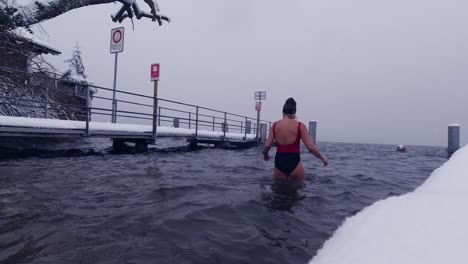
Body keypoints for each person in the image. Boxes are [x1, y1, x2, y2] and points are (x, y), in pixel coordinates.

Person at [262, 98, 328, 180]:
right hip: (294, 162)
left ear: (283, 111)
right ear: (294, 112)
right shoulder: (300, 126)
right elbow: (310, 147)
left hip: (279, 162)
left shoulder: (275, 125)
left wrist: (265, 154)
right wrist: (322, 158)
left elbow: (267, 145)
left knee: (278, 190)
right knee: (301, 188)